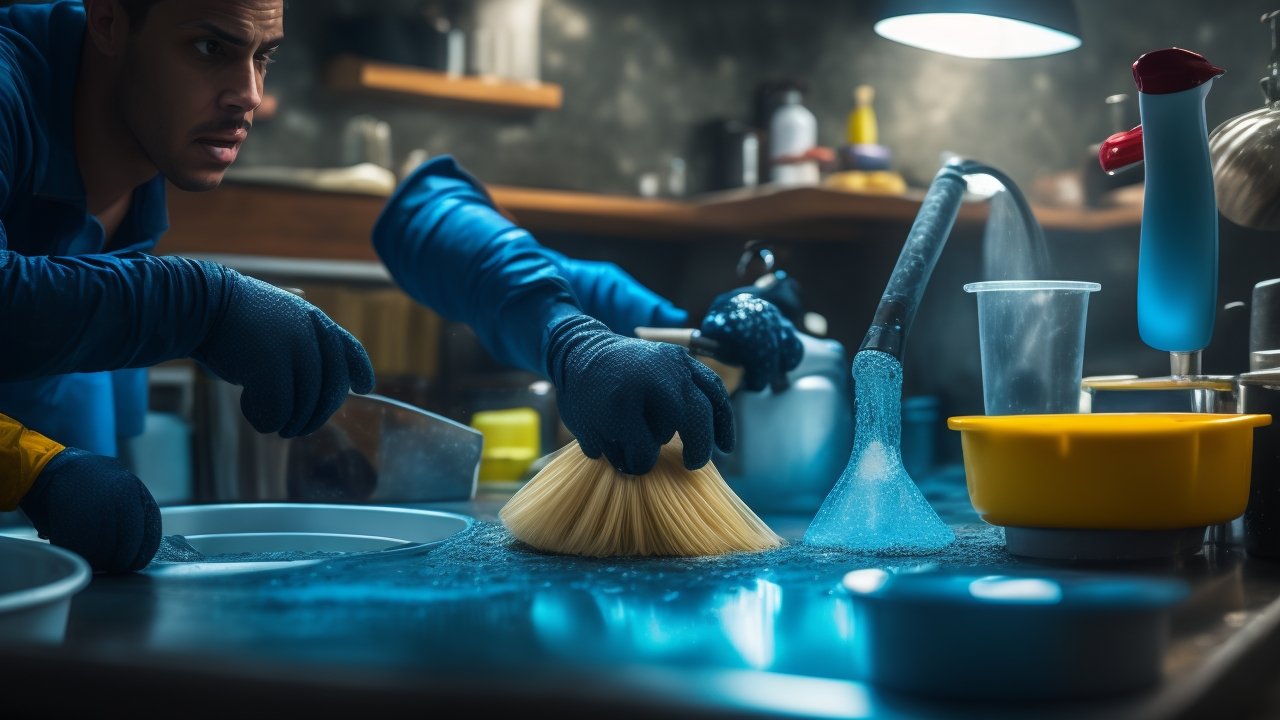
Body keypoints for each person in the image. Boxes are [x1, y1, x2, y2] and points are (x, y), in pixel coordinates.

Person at [0, 0, 375, 572]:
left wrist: (41, 471)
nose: (248, 95)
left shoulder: (141, 156)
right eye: (210, 48)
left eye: (263, 56)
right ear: (107, 22)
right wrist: (201, 305)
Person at [373, 157, 804, 476]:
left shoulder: (590, 285)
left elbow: (665, 329)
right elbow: (426, 214)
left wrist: (728, 323)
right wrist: (575, 340)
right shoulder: (509, 267)